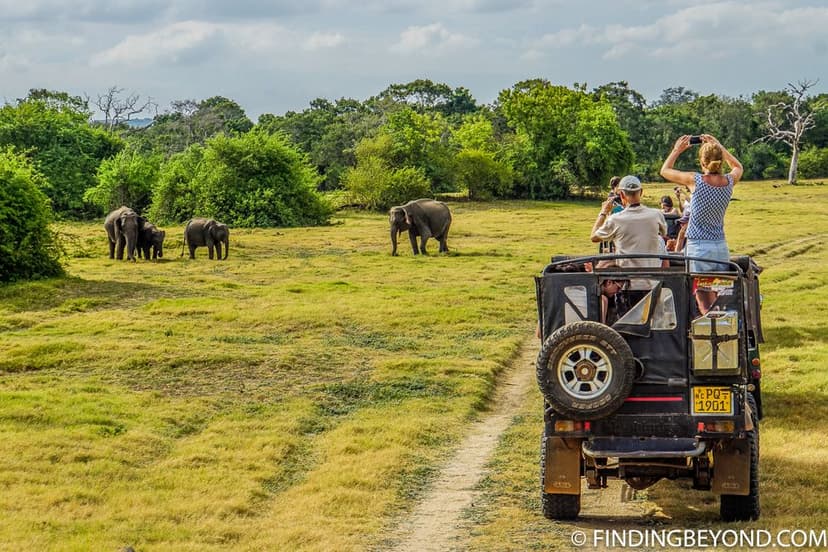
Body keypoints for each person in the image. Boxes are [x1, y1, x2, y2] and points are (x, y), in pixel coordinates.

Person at [659, 134, 744, 272]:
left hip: (699, 247)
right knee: (718, 290)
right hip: (720, 246)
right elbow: (738, 167)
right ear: (721, 161)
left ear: (702, 162)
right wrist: (719, 146)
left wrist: (677, 150)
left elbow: (665, 170)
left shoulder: (695, 180)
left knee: (701, 291)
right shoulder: (728, 181)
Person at [590, 175, 668, 268]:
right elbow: (664, 233)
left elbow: (594, 237)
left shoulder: (615, 219)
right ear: (641, 192)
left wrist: (603, 212)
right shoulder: (656, 214)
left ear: (622, 194)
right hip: (653, 280)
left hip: (626, 279)